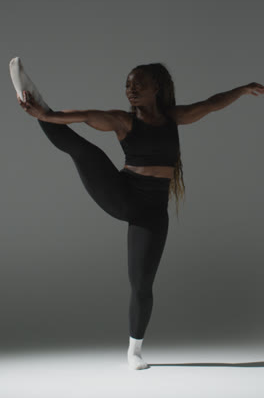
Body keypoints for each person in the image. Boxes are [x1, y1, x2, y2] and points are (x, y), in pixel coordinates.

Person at [10, 57, 263, 370]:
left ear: (156, 87)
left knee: (142, 283)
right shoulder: (123, 121)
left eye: (138, 84)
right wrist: (46, 114)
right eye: (128, 85)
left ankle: (134, 351)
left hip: (152, 213)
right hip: (121, 193)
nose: (131, 90)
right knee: (86, 151)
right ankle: (38, 103)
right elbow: (88, 116)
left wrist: (243, 89)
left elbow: (211, 104)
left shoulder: (174, 117)